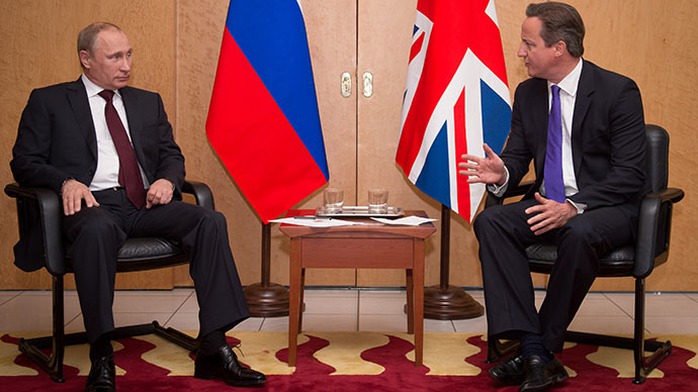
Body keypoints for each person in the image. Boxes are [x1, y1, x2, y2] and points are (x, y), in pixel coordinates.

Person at [10, 22, 267, 391]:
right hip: (90, 205)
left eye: (129, 54)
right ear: (86, 59)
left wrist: (167, 180)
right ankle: (102, 353)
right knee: (97, 228)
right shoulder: (49, 101)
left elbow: (171, 156)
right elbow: (25, 161)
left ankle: (214, 345)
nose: (126, 64)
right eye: (115, 56)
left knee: (209, 220)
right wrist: (66, 182)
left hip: (143, 203)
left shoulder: (148, 101)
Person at [459, 2, 647, 392]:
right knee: (491, 222)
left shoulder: (618, 91)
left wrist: (574, 207)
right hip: (550, 204)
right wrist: (503, 173)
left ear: (558, 48)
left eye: (528, 44)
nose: (520, 53)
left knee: (579, 232)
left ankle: (536, 347)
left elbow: (630, 175)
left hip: (605, 207)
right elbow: (517, 158)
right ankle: (536, 351)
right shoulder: (528, 93)